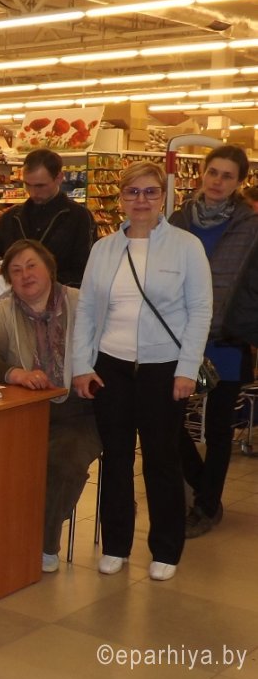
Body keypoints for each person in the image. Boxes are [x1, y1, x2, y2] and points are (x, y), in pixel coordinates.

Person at [72, 161, 211, 582]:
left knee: (161, 459)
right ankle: (116, 545)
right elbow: (87, 311)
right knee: (115, 459)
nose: (141, 200)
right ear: (121, 199)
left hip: (163, 367)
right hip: (110, 366)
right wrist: (82, 365)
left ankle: (166, 548)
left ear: (163, 197)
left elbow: (200, 310)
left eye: (150, 192)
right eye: (133, 192)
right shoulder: (103, 249)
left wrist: (186, 369)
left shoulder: (186, 247)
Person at [0, 239, 101, 573]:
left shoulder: (81, 304)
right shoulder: (1, 311)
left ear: (50, 268)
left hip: (80, 413)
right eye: (16, 270)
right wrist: (16, 373)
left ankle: (42, 543)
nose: (25, 275)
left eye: (31, 266)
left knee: (63, 462)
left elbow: (108, 353)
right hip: (23, 412)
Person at [168, 145, 258, 538]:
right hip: (178, 336)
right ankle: (204, 484)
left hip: (227, 337)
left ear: (239, 182)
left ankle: (205, 507)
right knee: (167, 420)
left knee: (220, 429)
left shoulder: (251, 226)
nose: (218, 181)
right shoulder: (178, 220)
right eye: (213, 172)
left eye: (227, 176)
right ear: (202, 173)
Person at [0, 149, 95, 303]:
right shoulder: (10, 218)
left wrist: (42, 285)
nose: (33, 192)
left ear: (59, 178)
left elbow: (86, 271)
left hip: (59, 307)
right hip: (11, 307)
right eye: (27, 185)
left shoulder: (79, 217)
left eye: (40, 186)